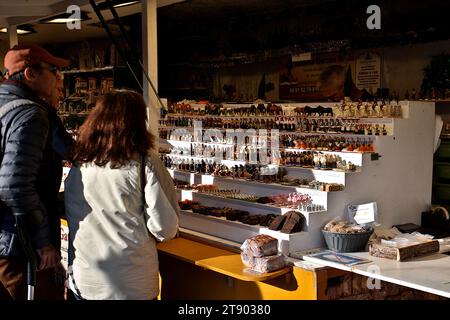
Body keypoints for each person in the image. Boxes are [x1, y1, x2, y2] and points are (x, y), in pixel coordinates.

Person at [64, 89, 179, 300]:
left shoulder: (80, 162)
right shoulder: (145, 162)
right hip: (131, 283)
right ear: (137, 121)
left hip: (85, 279)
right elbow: (164, 227)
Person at [0, 44, 74, 300]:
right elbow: (13, 185)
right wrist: (42, 242)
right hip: (21, 245)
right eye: (54, 71)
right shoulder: (31, 114)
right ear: (30, 74)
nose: (58, 78)